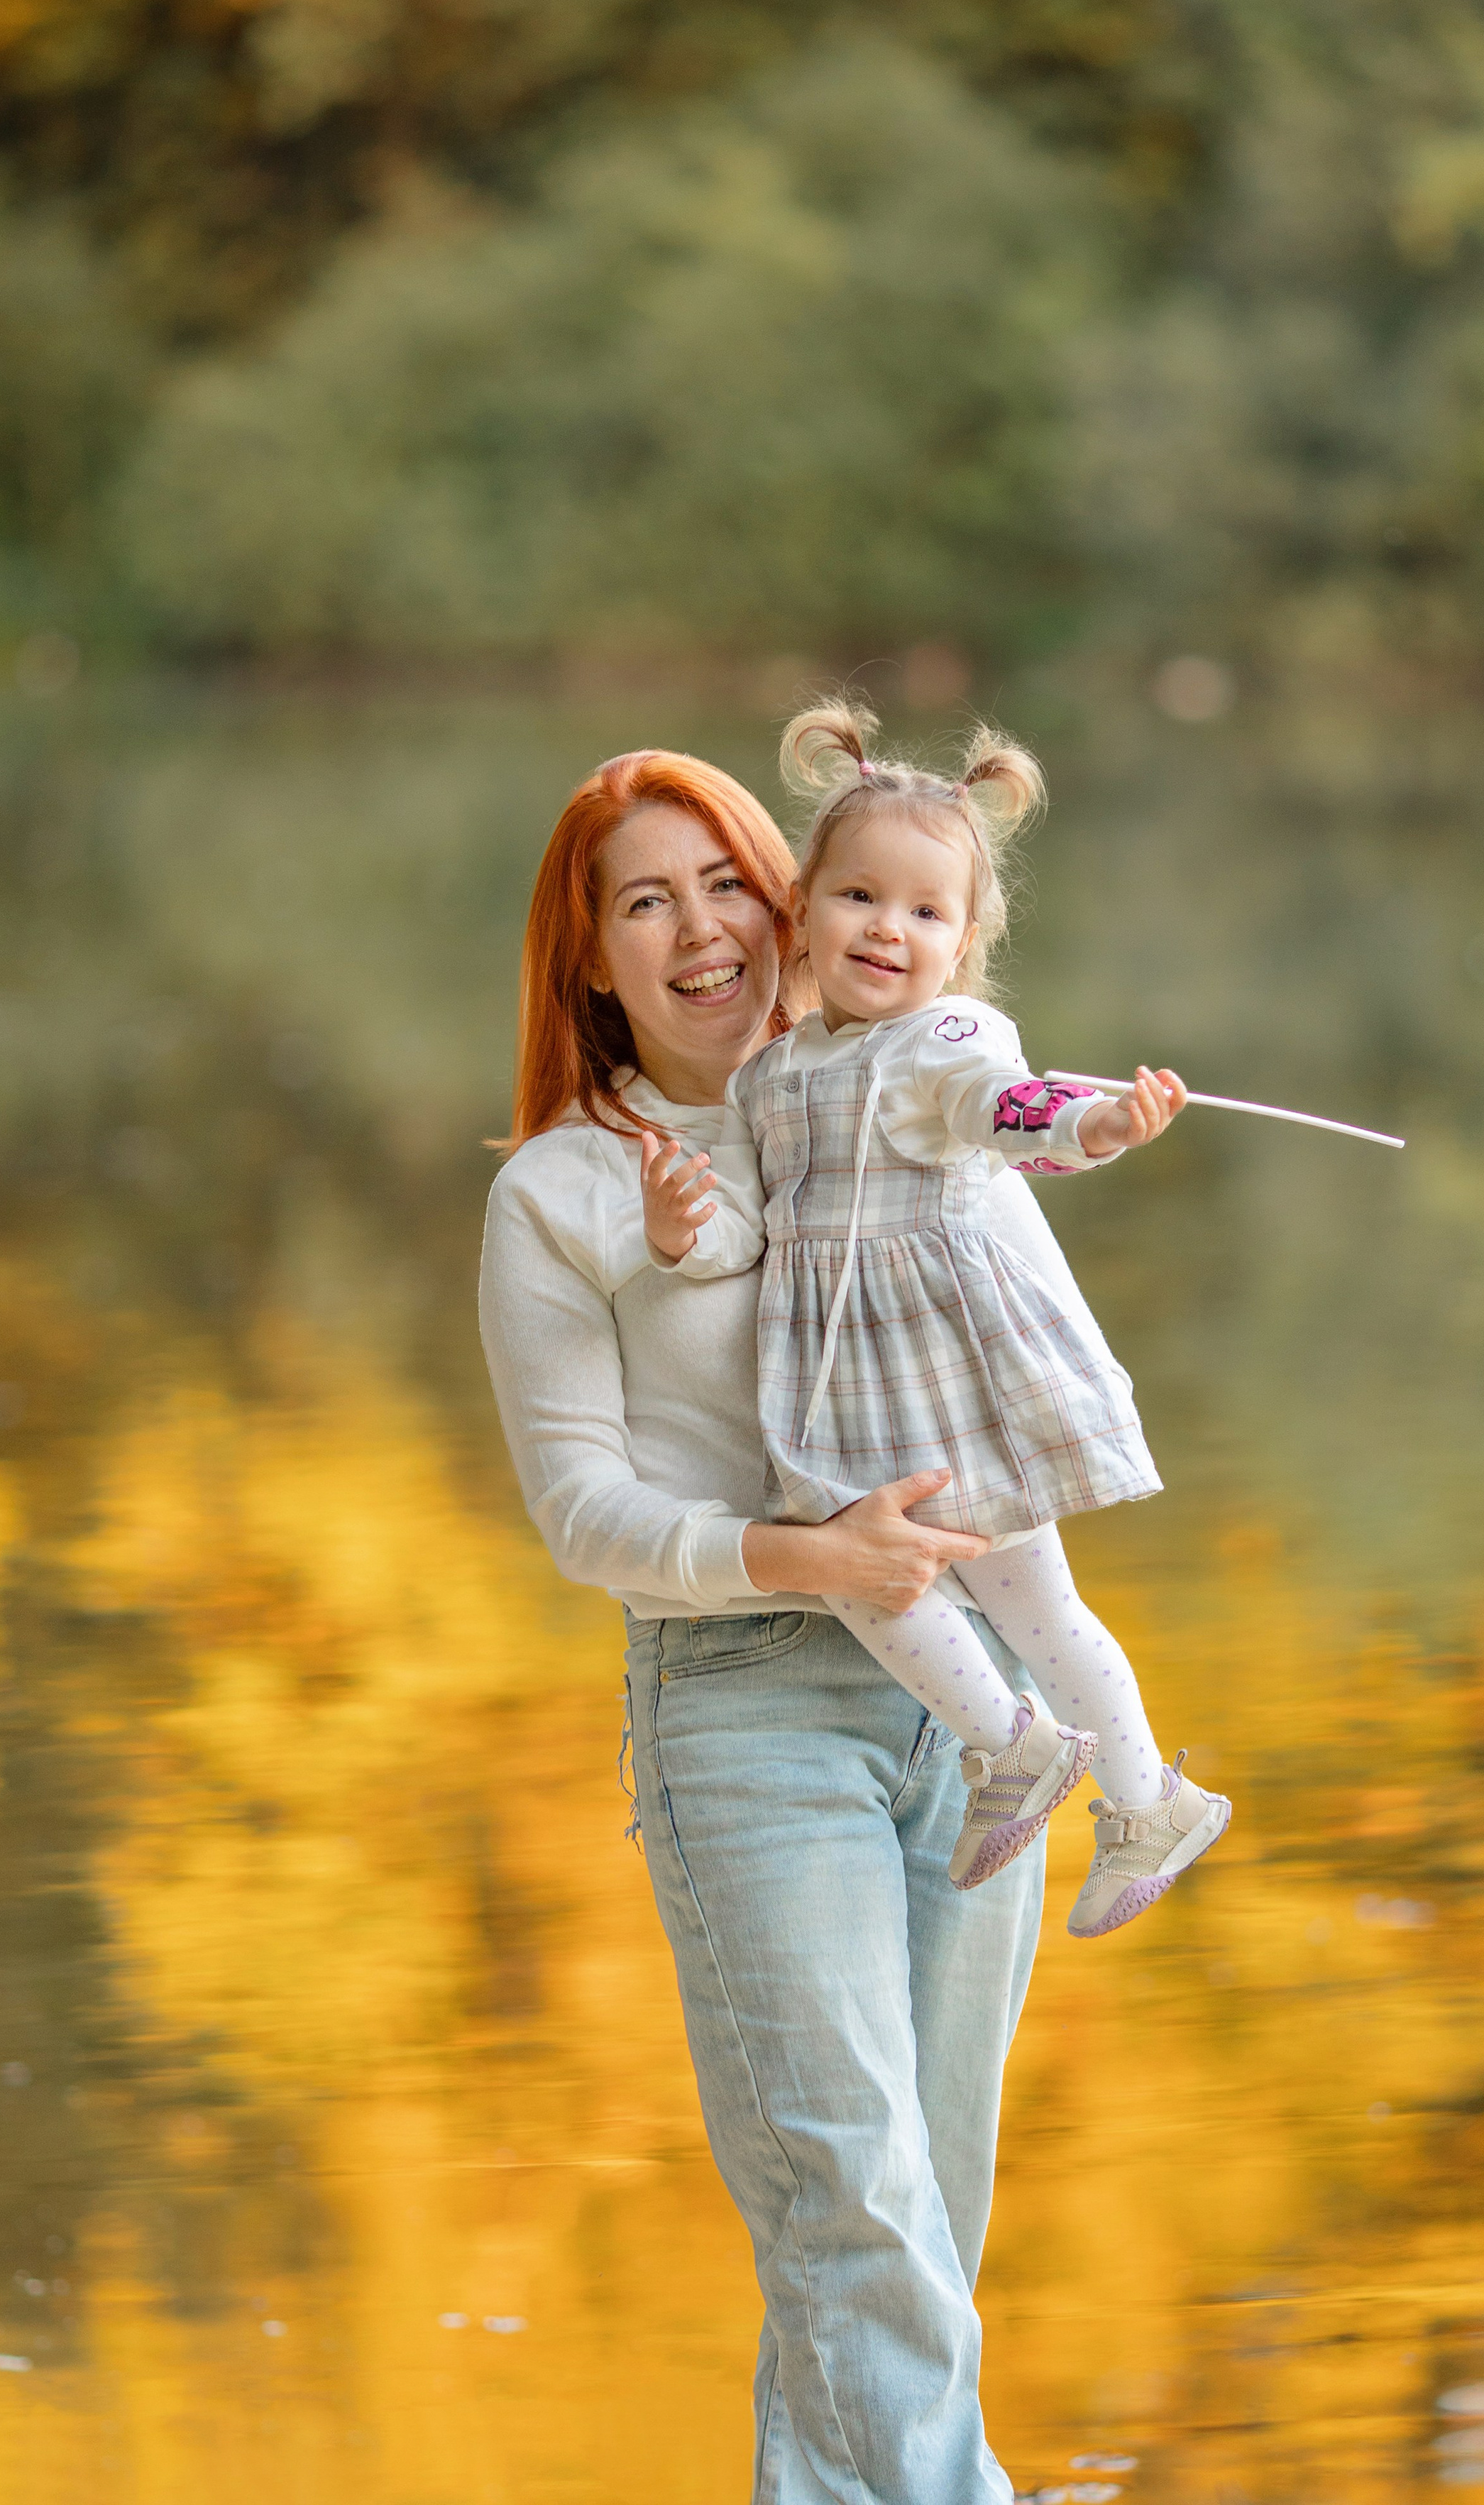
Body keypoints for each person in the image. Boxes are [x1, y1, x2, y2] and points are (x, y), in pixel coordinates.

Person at [479, 746, 1135, 2503]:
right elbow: (583, 1513)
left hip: (972, 1705)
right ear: (590, 957)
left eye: (723, 884)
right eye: (643, 902)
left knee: (926, 2205)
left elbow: (1013, 1334)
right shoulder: (558, 1192)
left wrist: (1059, 1122)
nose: (698, 929)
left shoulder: (892, 1092)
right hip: (748, 1707)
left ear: (787, 905)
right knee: (853, 2202)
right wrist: (807, 1558)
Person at [637, 700, 1231, 1939]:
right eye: (859, 898)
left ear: (962, 943)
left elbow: (1003, 1106)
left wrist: (1093, 1123)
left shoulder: (944, 1041)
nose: (887, 929)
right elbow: (762, 1226)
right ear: (802, 910)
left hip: (949, 1370)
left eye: (924, 913)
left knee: (1028, 1602)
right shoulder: (774, 1074)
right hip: (843, 1382)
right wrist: (685, 1235)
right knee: (864, 1565)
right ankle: (1054, 1758)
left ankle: (1119, 1790)